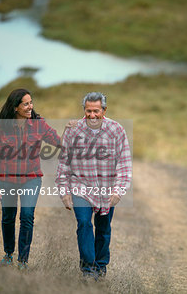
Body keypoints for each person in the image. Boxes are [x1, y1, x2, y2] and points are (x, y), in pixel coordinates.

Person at [55, 92, 132, 280]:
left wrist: (118, 191)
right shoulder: (74, 130)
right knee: (83, 223)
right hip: (81, 187)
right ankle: (87, 269)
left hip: (107, 190)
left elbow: (124, 164)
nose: (92, 115)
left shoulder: (117, 130)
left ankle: (100, 267)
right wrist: (64, 192)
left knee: (103, 229)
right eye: (88, 111)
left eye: (96, 111)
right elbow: (64, 162)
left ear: (104, 110)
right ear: (84, 110)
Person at [0, 88, 69, 270]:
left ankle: (23, 261)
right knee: (8, 217)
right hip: (6, 178)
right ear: (15, 107)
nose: (30, 107)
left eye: (31, 102)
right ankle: (8, 254)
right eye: (25, 104)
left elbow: (60, 143)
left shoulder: (39, 124)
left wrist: (67, 129)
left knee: (27, 216)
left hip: (31, 178)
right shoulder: (1, 127)